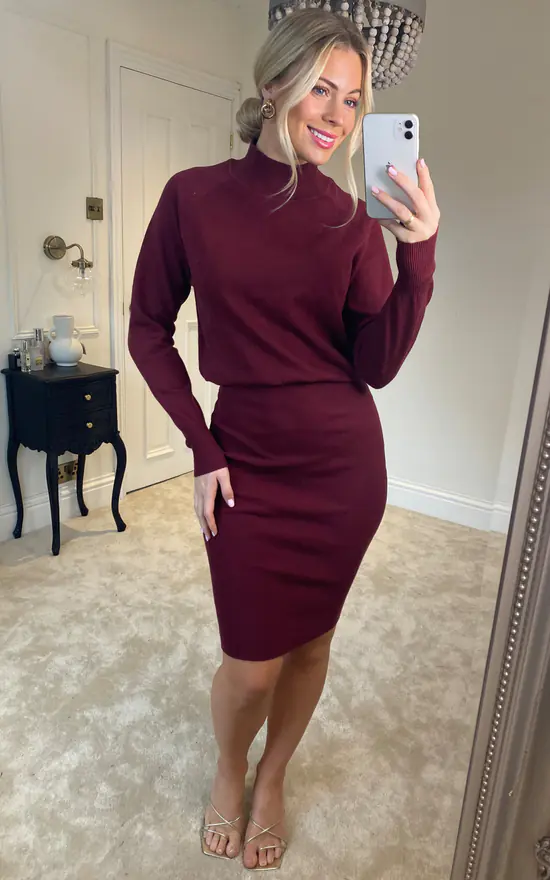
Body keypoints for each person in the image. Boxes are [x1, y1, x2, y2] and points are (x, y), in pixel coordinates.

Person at [128, 7, 440, 872]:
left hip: (343, 471)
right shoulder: (194, 196)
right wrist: (202, 446)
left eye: (353, 98)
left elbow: (375, 364)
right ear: (273, 85)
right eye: (319, 89)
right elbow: (147, 327)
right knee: (251, 666)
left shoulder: (352, 220)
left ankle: (273, 777)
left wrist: (418, 256)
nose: (336, 115)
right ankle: (231, 769)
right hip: (247, 467)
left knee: (311, 644)